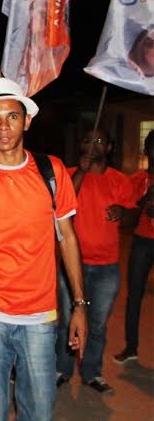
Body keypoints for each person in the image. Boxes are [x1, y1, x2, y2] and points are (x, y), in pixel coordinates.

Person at [0, 77, 87, 421]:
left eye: (12, 116)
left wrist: (79, 304)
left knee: (39, 418)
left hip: (40, 317)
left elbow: (67, 238)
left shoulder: (52, 171)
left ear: (27, 120)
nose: (3, 127)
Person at [56, 129, 136, 393]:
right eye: (88, 140)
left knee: (98, 324)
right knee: (67, 321)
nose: (93, 145)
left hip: (106, 266)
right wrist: (82, 171)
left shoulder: (119, 180)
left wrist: (122, 212)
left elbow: (133, 217)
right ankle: (62, 369)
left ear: (109, 148)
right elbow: (62, 204)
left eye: (100, 141)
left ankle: (92, 372)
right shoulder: (69, 174)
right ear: (81, 144)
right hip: (72, 265)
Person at [115, 130, 154, 364]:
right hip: (143, 241)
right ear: (147, 151)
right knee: (134, 295)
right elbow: (126, 216)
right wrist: (145, 201)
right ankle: (131, 346)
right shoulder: (138, 180)